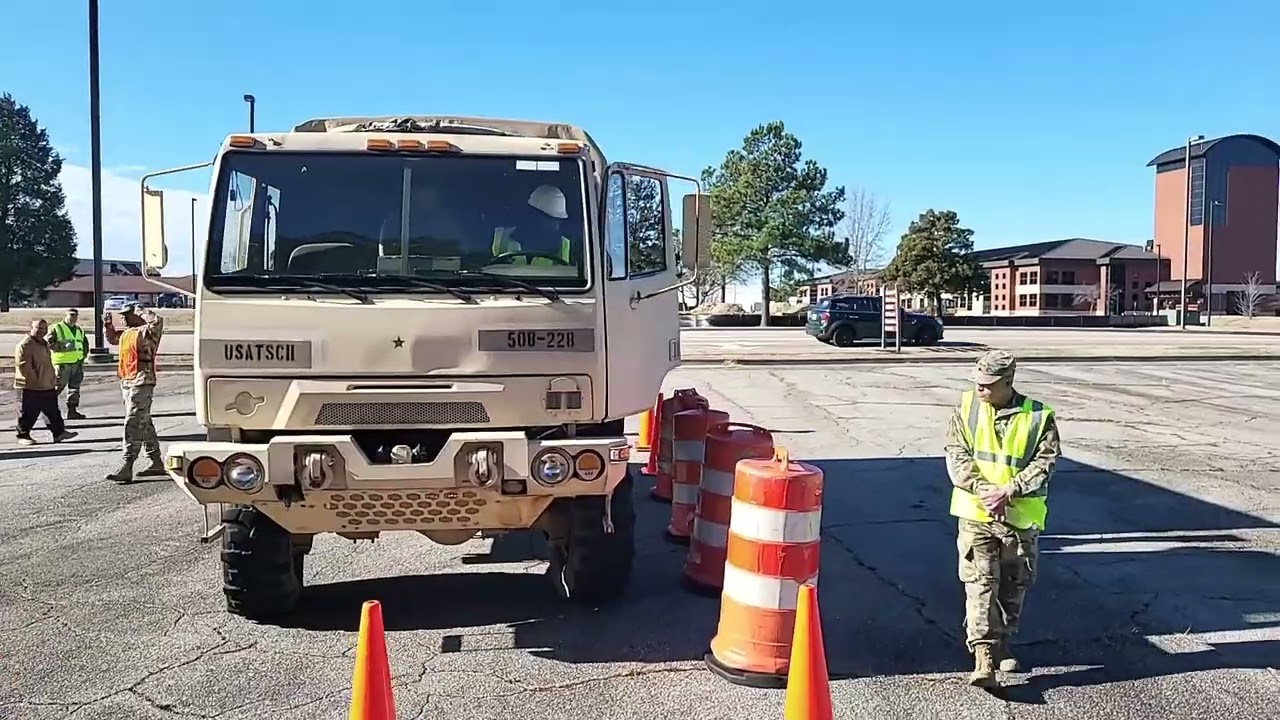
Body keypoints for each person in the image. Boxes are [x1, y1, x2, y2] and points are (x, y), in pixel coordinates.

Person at [943, 349, 1061, 688]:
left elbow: (1045, 464)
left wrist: (1008, 490)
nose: (979, 388)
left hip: (1019, 518)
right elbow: (956, 454)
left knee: (1013, 586)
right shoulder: (965, 409)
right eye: (977, 382)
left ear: (1007, 382)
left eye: (987, 384)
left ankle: (1003, 642)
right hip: (977, 513)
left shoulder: (1039, 417)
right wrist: (984, 490)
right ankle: (984, 657)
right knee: (980, 584)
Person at [103, 303, 166, 483]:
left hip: (142, 380)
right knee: (143, 421)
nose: (124, 318)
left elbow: (158, 321)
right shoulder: (128, 333)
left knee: (133, 421)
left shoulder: (147, 332)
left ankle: (127, 464)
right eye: (122, 315)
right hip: (128, 380)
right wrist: (108, 326)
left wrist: (139, 310)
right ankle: (156, 462)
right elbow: (114, 339)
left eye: (127, 314)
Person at [13, 319, 78, 446]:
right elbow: (24, 367)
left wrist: (51, 379)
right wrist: (35, 382)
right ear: (31, 328)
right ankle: (23, 435)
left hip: (46, 384)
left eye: (44, 328)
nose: (41, 331)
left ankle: (59, 433)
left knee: (52, 411)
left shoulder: (43, 343)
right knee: (28, 412)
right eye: (38, 328)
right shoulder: (26, 345)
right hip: (30, 386)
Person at [490, 184, 572, 266]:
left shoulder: (564, 246)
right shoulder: (501, 239)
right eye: (550, 220)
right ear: (535, 216)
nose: (556, 227)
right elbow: (483, 269)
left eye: (558, 221)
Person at [46, 308, 88, 420]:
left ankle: (72, 411)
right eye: (71, 315)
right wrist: (62, 347)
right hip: (62, 364)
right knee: (57, 388)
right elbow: (49, 344)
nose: (73, 317)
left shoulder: (79, 330)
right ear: (66, 315)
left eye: (75, 315)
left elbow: (84, 344)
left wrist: (82, 357)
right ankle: (48, 411)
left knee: (74, 389)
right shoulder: (56, 328)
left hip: (77, 364)